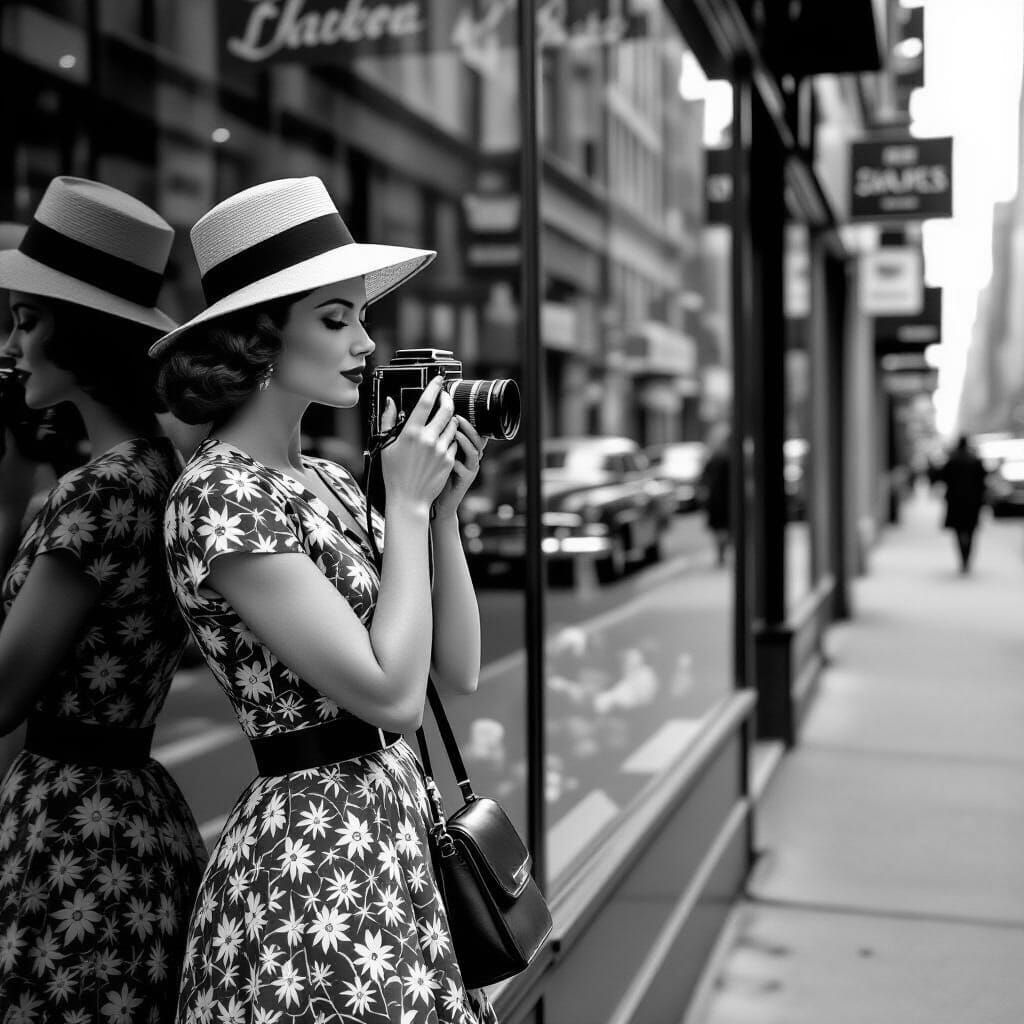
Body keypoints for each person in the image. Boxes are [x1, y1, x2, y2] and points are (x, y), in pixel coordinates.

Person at [150, 176, 498, 1023]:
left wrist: (440, 514)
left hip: (394, 834)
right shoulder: (218, 494)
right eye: (336, 320)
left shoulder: (333, 481)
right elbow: (389, 695)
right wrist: (404, 507)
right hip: (314, 863)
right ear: (258, 342)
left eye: (361, 317)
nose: (366, 344)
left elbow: (458, 670)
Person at [0, 177, 206, 1018]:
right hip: (133, 821)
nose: (11, 344)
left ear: (78, 333)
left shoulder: (98, 491)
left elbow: (3, 692)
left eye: (27, 320)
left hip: (73, 839)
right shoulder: (158, 470)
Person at [937, 435, 988, 573]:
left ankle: (962, 559)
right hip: (972, 502)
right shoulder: (975, 460)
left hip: (956, 502)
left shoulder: (952, 460)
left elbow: (943, 477)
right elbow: (983, 481)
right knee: (971, 531)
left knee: (958, 530)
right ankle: (967, 559)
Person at [700, 425, 731, 566]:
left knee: (720, 529)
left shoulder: (715, 458)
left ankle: (721, 555)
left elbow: (704, 479)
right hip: (724, 498)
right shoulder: (725, 458)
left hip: (717, 498)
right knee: (723, 529)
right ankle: (721, 554)